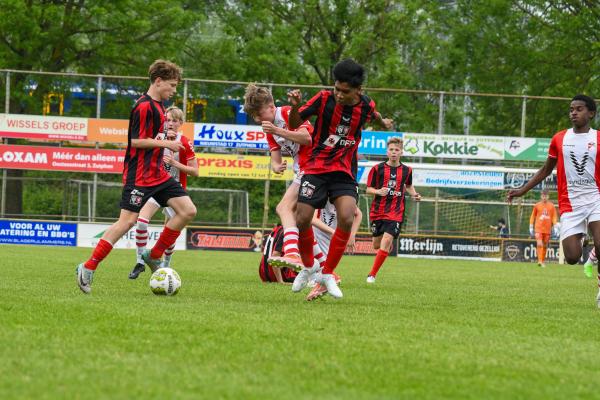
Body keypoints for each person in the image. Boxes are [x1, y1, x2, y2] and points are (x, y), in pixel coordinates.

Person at [76, 60, 197, 294]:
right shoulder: (144, 106)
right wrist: (167, 142)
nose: (174, 90)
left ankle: (153, 255)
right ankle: (87, 267)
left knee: (188, 210)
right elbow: (136, 141)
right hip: (139, 176)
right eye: (171, 85)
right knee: (127, 222)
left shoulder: (161, 108)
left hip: (158, 174)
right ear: (158, 81)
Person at [286, 58, 393, 301]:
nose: (339, 94)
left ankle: (327, 273)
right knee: (302, 218)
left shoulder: (365, 105)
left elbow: (373, 113)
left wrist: (383, 122)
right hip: (316, 167)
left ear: (358, 90)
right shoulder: (323, 99)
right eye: (337, 89)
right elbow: (295, 123)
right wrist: (295, 106)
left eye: (345, 91)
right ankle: (309, 267)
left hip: (344, 170)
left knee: (346, 216)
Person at [507, 94, 600, 305]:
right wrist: (521, 190)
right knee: (572, 258)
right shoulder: (559, 139)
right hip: (570, 205)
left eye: (579, 109)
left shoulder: (599, 139)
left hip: (596, 200)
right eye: (571, 109)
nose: (573, 112)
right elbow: (545, 170)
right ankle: (582, 238)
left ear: (591, 113)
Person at [243, 84, 312, 270]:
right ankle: (318, 269)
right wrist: (276, 167)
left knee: (284, 207)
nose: (257, 119)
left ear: (272, 107)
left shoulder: (289, 113)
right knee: (300, 219)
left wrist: (277, 131)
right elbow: (275, 159)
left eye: (259, 114)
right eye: (254, 116)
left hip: (315, 166)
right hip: (304, 170)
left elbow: (307, 138)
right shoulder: (270, 129)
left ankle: (292, 254)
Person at [129, 105, 198, 279]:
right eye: (167, 120)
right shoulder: (157, 138)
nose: (170, 123)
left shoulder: (185, 142)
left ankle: (165, 267)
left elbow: (195, 171)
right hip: (155, 187)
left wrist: (175, 164)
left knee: (169, 231)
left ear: (181, 123)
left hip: (175, 191)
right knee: (142, 221)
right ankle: (139, 262)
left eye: (174, 120)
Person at [365, 137, 421, 283]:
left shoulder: (407, 170)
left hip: (396, 212)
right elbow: (368, 189)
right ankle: (384, 250)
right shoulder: (377, 169)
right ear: (387, 152)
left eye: (397, 150)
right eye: (391, 150)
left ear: (401, 152)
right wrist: (378, 192)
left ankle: (372, 274)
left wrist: (414, 194)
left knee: (388, 239)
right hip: (378, 211)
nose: (394, 152)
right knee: (376, 245)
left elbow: (408, 186)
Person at [529, 189, 558, 268]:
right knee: (539, 243)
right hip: (538, 228)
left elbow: (554, 217)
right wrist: (531, 226)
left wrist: (555, 226)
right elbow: (533, 216)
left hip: (547, 229)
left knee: (545, 245)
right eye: (543, 196)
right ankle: (539, 261)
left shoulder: (551, 206)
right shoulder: (537, 205)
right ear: (541, 196)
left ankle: (542, 260)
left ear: (548, 196)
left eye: (546, 196)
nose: (544, 197)